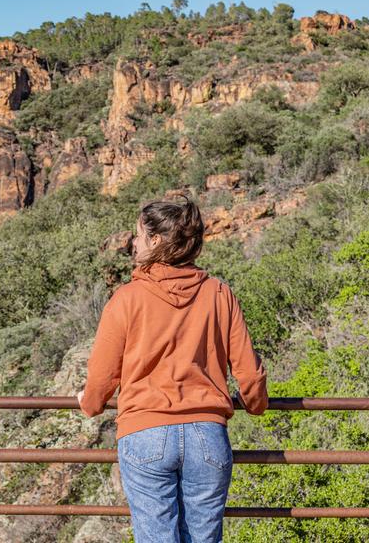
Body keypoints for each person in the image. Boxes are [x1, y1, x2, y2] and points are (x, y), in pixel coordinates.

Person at [77, 195, 268, 543]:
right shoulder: (219, 294)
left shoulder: (126, 299)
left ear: (155, 240)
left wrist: (88, 404)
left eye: (137, 234)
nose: (133, 242)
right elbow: (250, 375)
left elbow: (102, 378)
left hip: (145, 431)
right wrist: (254, 403)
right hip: (208, 436)